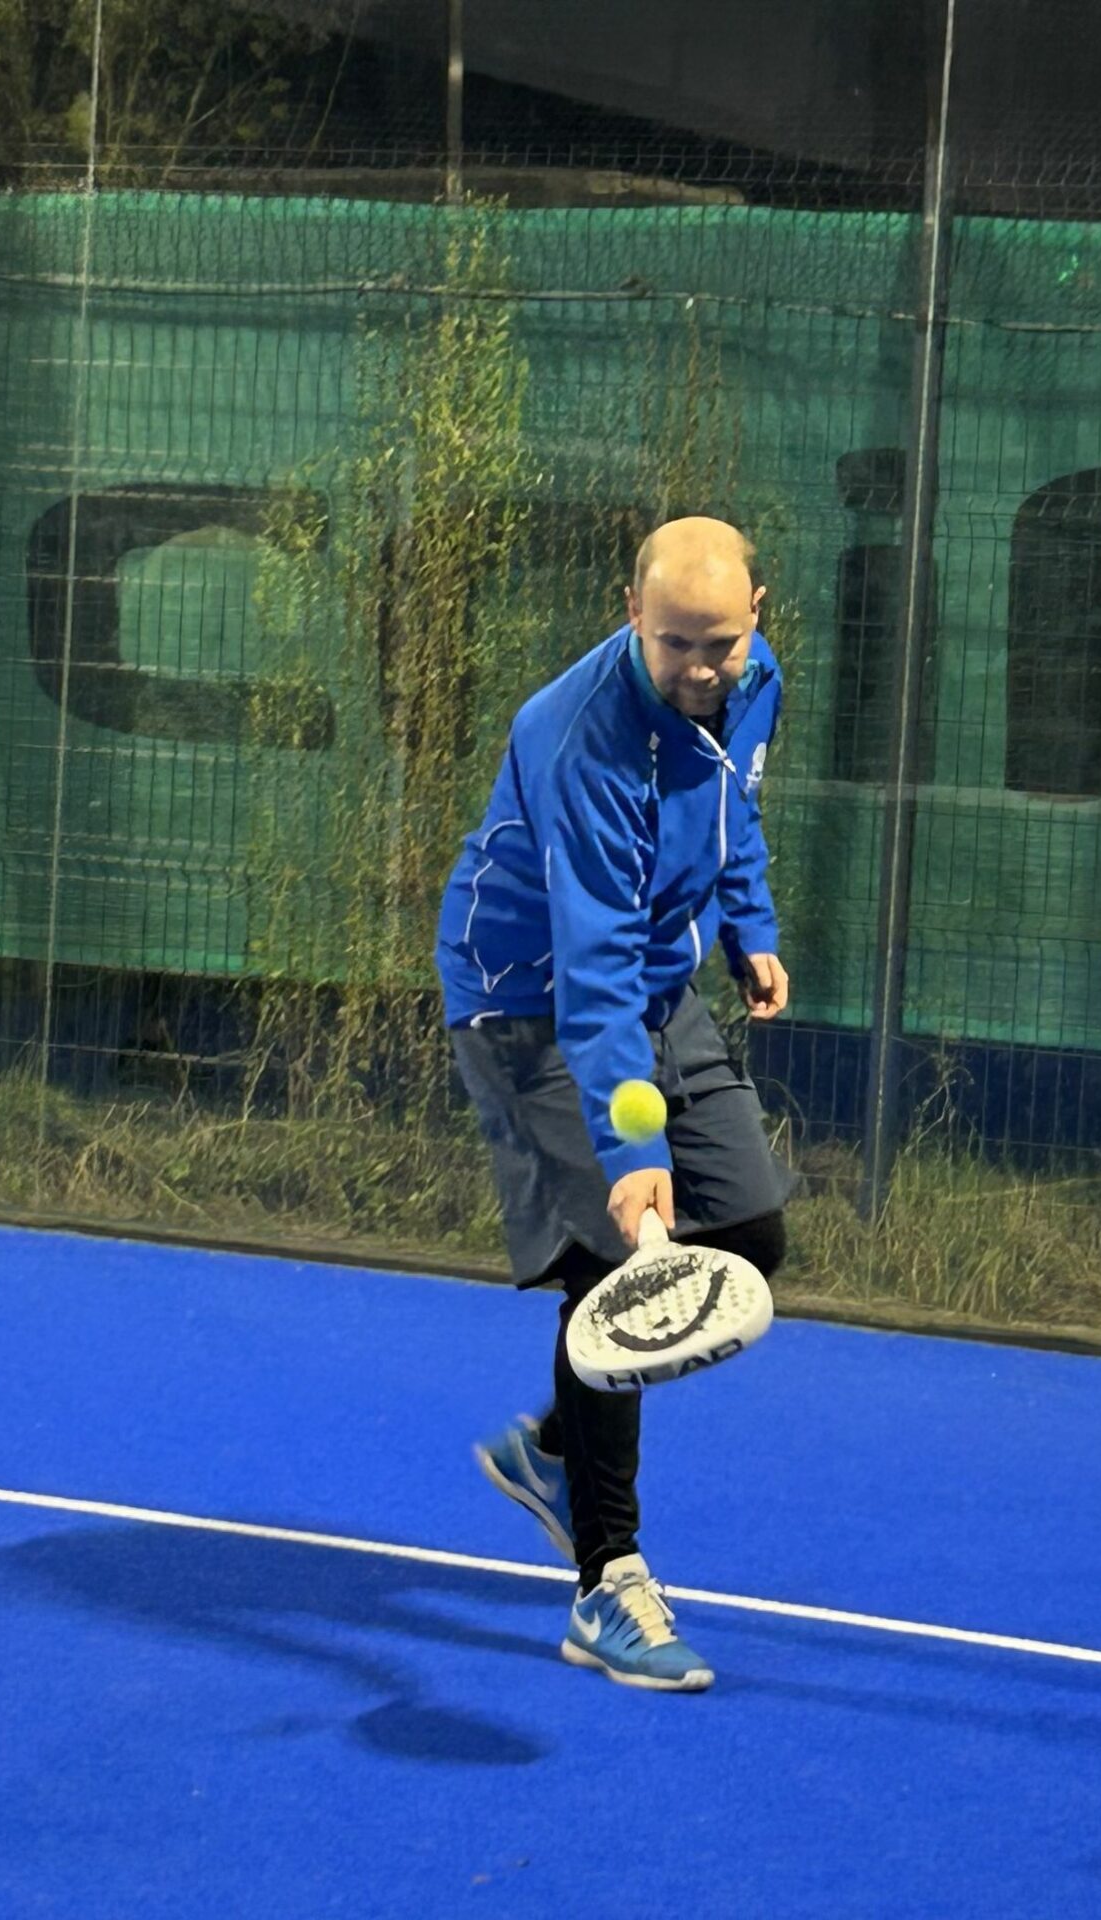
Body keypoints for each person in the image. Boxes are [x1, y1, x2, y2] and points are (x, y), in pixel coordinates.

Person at [435, 515, 793, 1691]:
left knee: (748, 1234)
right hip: (532, 1000)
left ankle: (555, 1442)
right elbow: (589, 987)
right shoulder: (576, 738)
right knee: (614, 1266)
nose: (700, 668)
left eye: (720, 644)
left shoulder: (750, 677)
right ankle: (607, 1583)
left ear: (755, 618)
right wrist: (633, 1153)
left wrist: (747, 927)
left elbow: (732, 806)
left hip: (651, 974)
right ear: (632, 613)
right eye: (675, 643)